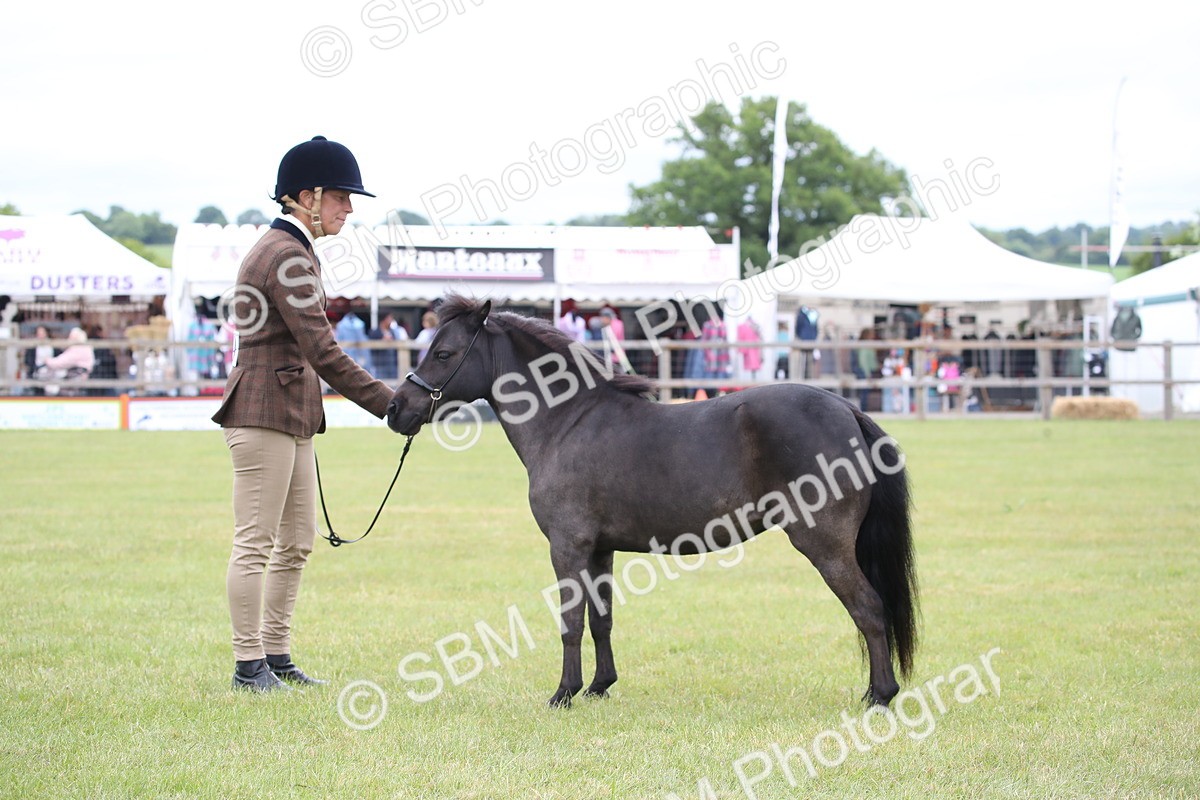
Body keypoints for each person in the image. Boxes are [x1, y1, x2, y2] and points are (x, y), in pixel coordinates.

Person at [210, 135, 394, 693]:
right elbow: (321, 348)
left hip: (289, 412)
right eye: (341, 196)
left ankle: (276, 654)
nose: (349, 208)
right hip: (264, 410)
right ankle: (249, 664)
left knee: (296, 542)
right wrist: (388, 403)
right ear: (305, 197)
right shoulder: (286, 254)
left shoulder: (292, 248)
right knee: (257, 543)